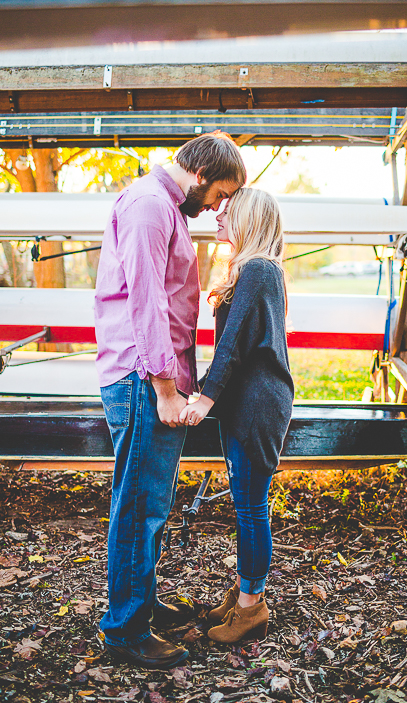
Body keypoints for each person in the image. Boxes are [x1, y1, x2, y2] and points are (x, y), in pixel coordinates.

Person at [94, 131, 246, 668]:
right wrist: (163, 386)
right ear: (200, 175)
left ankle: (142, 603)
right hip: (143, 379)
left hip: (154, 377)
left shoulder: (167, 208)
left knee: (151, 501)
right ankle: (126, 631)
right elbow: (147, 301)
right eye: (220, 194)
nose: (219, 207)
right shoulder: (150, 206)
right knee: (140, 505)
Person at [179, 187, 293, 644]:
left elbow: (234, 344)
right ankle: (244, 593)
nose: (218, 217)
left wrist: (205, 399)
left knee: (251, 509)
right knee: (247, 505)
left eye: (228, 212)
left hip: (257, 406)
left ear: (249, 220)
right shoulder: (256, 270)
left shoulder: (259, 269)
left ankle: (251, 609)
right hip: (248, 403)